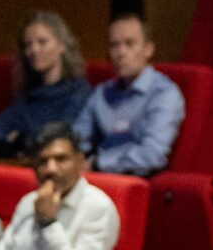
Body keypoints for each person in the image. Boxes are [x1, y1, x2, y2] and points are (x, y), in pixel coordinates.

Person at [73, 14, 185, 176]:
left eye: (129, 43)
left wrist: (98, 163)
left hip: (136, 181)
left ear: (148, 49)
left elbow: (152, 155)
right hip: (97, 179)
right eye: (114, 45)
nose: (121, 52)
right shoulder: (103, 92)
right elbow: (78, 138)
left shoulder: (164, 93)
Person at [0, 11, 91, 160]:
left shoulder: (80, 93)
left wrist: (19, 139)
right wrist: (9, 147)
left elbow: (59, 140)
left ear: (61, 46)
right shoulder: (26, 98)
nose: (34, 50)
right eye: (28, 45)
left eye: (42, 42)